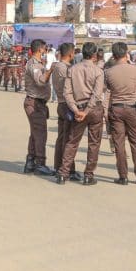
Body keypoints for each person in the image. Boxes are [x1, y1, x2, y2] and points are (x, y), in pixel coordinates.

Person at [56, 42, 105, 185]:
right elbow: (97, 94)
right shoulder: (98, 71)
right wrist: (87, 110)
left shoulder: (72, 69)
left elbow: (67, 92)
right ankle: (88, 175)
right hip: (93, 109)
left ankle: (63, 173)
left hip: (78, 108)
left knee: (72, 142)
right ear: (94, 55)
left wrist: (77, 110)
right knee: (94, 143)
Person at [104, 42, 136, 185]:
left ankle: (123, 176)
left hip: (116, 108)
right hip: (132, 108)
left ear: (114, 56)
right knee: (135, 142)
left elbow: (107, 90)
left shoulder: (108, 72)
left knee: (119, 143)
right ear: (126, 53)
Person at [21, 38, 55, 176]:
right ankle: (40, 163)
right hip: (34, 102)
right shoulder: (34, 64)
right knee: (40, 133)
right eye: (45, 48)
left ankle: (30, 161)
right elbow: (41, 81)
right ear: (40, 49)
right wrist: (50, 70)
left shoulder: (39, 63)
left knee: (35, 133)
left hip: (39, 103)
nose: (46, 51)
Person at [50, 43, 80, 181]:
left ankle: (59, 166)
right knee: (68, 139)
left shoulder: (58, 67)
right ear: (70, 54)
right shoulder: (65, 68)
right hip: (66, 104)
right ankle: (67, 169)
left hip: (62, 104)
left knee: (62, 137)